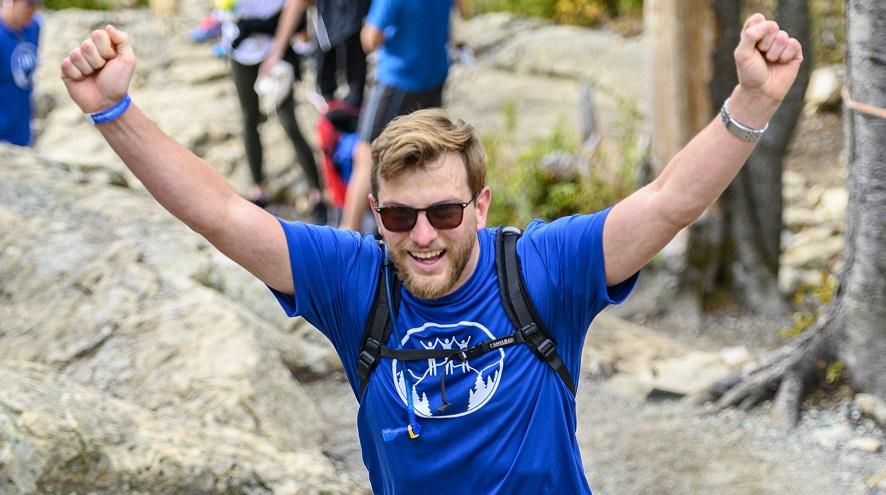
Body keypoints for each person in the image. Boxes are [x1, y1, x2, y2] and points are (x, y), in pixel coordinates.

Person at [60, 14, 803, 494]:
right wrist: (113, 110)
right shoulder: (355, 282)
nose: (422, 235)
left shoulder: (542, 268)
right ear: (375, 213)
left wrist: (754, 103)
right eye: (401, 216)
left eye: (445, 212)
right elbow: (222, 213)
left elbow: (670, 200)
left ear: (480, 206)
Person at [338, 0, 463, 232]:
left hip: (399, 79)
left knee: (366, 154)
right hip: (434, 77)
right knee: (420, 156)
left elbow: (370, 40)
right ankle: (415, 227)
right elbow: (461, 10)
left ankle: (348, 233)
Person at [221, 0, 323, 216]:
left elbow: (295, 6)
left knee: (289, 122)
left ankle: (317, 191)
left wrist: (278, 50)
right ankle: (257, 188)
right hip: (241, 47)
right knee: (250, 119)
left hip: (277, 44)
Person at [263, 0, 370, 111]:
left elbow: (297, 3)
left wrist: (276, 52)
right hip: (334, 40)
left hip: (352, 41)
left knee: (350, 101)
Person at [0, 0, 39, 146]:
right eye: (29, 4)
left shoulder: (33, 28)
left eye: (37, 4)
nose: (33, 10)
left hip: (23, 132)